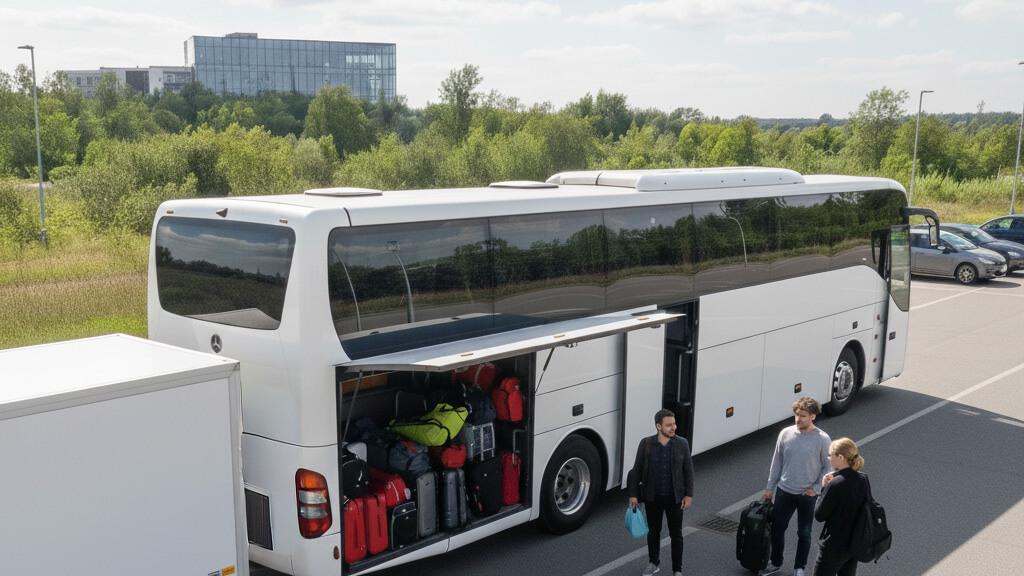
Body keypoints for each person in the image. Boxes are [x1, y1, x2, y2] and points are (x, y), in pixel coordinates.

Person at [759, 397, 831, 576]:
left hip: (807, 495)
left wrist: (815, 489)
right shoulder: (785, 433)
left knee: (804, 533)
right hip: (784, 491)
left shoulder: (822, 439)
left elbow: (827, 468)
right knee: (777, 529)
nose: (798, 419)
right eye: (797, 415)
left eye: (803, 416)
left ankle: (799, 568)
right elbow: (777, 461)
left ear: (813, 416)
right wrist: (770, 487)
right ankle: (775, 563)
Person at [627, 409, 695, 576]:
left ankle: (677, 570)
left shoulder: (682, 444)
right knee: (653, 532)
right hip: (653, 498)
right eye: (669, 425)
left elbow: (689, 472)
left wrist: (688, 495)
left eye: (674, 424)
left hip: (675, 498)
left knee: (676, 535)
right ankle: (653, 563)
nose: (674, 427)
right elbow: (636, 471)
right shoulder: (646, 444)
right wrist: (633, 495)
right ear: (658, 426)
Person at [812, 438, 868, 576]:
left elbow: (819, 515)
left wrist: (823, 488)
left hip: (834, 545)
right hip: (854, 544)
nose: (829, 458)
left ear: (841, 457)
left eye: (831, 455)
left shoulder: (835, 484)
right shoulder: (863, 479)